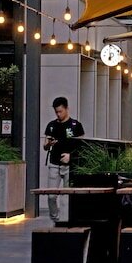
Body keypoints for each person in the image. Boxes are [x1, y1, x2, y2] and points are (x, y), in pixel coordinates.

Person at [43, 96, 85, 225]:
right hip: (54, 163)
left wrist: (71, 156)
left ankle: (66, 220)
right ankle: (55, 218)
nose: (58, 114)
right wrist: (49, 144)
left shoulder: (75, 125)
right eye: (56, 112)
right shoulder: (51, 125)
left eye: (60, 111)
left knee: (67, 195)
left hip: (69, 165)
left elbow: (82, 146)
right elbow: (45, 146)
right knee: (51, 195)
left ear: (66, 109)